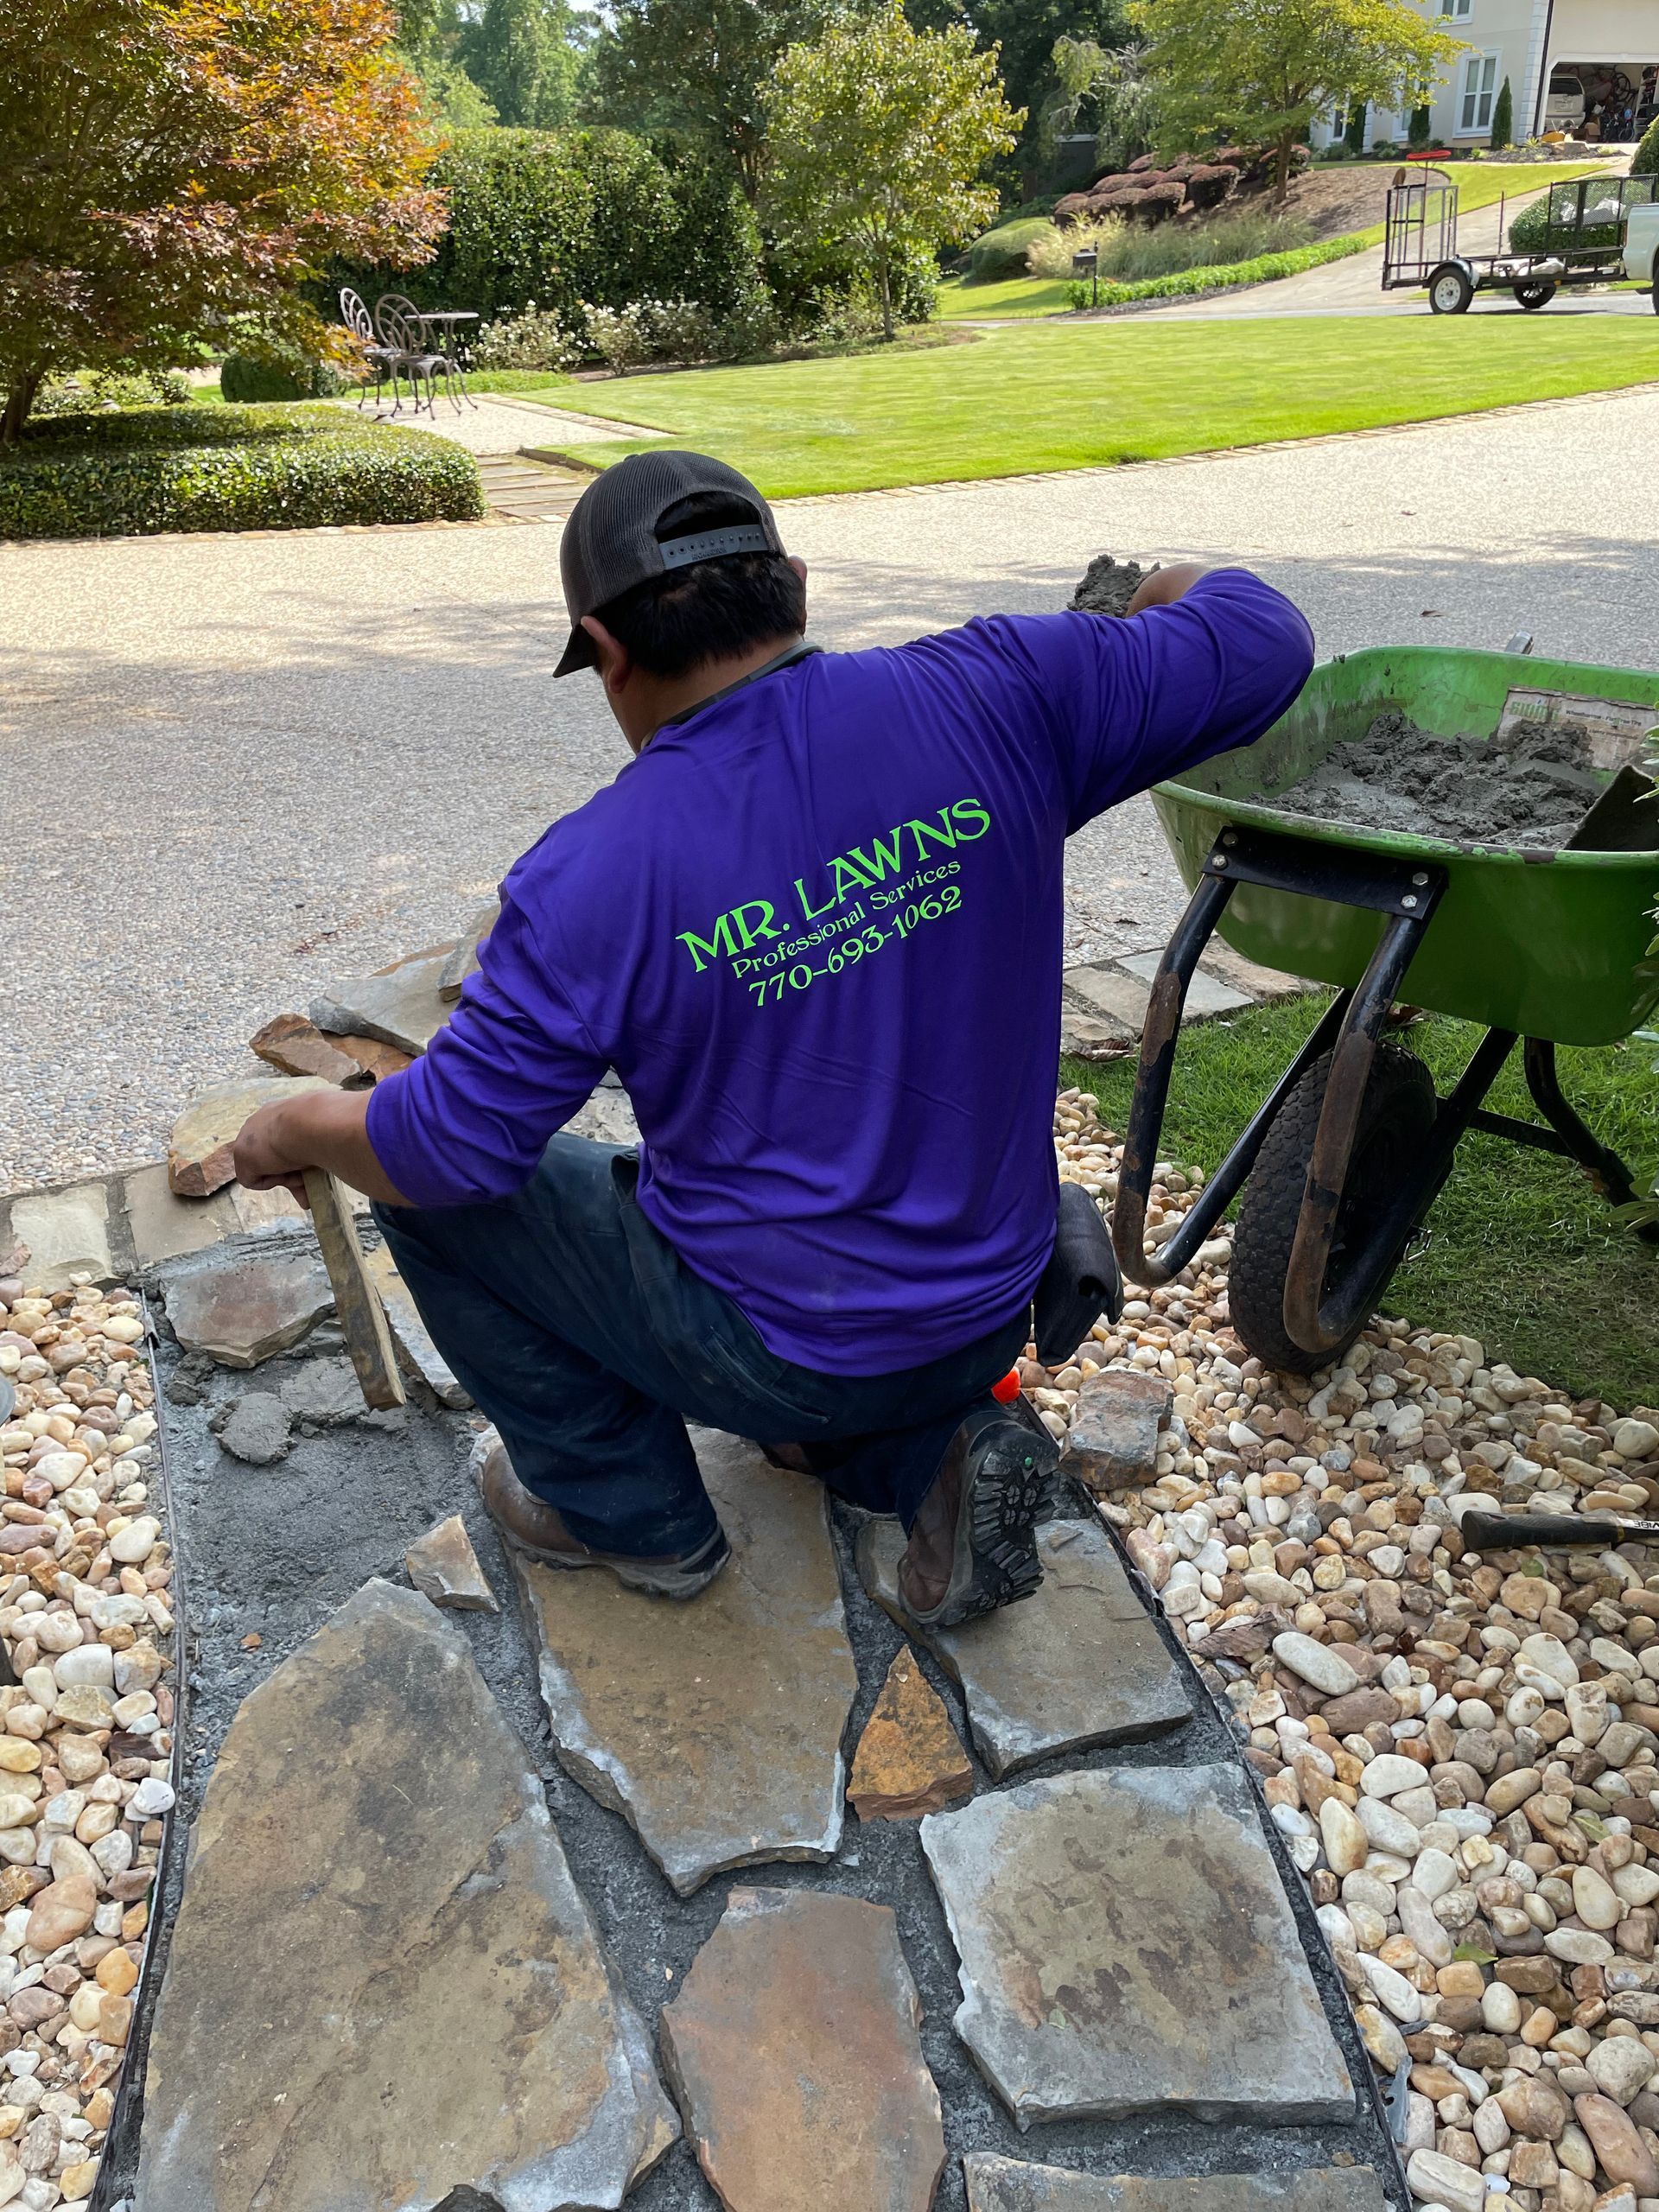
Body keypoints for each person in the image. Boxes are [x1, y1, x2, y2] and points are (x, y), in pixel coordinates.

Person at [233, 451, 1313, 1629]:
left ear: (604, 648)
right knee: (814, 1294)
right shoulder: (1002, 688)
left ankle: (632, 1519)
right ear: (792, 584)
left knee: (424, 1183)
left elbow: (447, 1154)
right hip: (993, 1292)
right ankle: (929, 1456)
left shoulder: (596, 872)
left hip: (782, 1347)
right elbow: (1264, 634)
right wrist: (1158, 589)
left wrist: (298, 1124)